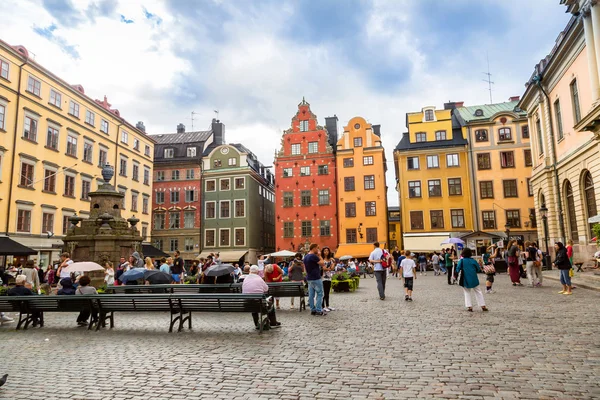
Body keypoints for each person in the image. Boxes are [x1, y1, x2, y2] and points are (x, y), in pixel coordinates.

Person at [241, 265, 281, 330]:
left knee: (254, 305)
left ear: (250, 271)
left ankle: (257, 324)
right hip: (259, 304)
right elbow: (266, 289)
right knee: (269, 304)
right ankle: (273, 322)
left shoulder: (245, 279)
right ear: (257, 272)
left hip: (247, 304)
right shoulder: (259, 279)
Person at [455, 248, 489, 312]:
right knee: (478, 291)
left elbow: (457, 269)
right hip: (474, 278)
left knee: (467, 292)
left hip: (465, 279)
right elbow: (478, 269)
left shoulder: (461, 261)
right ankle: (483, 305)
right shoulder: (473, 261)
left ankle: (469, 306)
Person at [304, 243, 325, 316]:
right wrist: (319, 256)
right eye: (317, 248)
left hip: (309, 278)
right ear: (314, 248)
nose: (318, 250)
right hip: (316, 277)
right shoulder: (313, 256)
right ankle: (319, 310)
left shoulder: (306, 257)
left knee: (311, 295)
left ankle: (312, 310)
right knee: (320, 294)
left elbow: (305, 269)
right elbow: (322, 263)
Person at [321, 247, 335, 312]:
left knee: (327, 292)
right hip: (322, 278)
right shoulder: (321, 259)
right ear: (323, 252)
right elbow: (323, 268)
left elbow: (332, 268)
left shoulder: (330, 260)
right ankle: (322, 306)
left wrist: (332, 265)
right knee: (323, 293)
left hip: (329, 277)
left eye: (327, 251)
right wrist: (328, 268)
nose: (326, 252)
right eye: (325, 251)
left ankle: (327, 305)